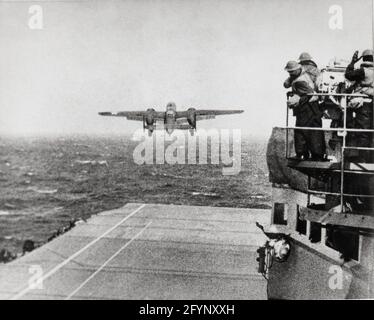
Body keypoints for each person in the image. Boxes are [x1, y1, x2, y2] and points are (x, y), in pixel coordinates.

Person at [284, 60, 326, 160]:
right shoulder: (305, 75)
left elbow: (309, 94)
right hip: (314, 108)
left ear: (296, 70)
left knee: (300, 131)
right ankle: (318, 155)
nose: (290, 74)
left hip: (306, 108)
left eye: (291, 72)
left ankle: (302, 154)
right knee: (314, 131)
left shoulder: (299, 81)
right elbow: (286, 84)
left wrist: (297, 98)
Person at [345, 49, 374, 163]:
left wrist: (352, 62)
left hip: (365, 104)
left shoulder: (363, 71)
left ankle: (362, 159)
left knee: (363, 131)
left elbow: (348, 75)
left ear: (364, 59)